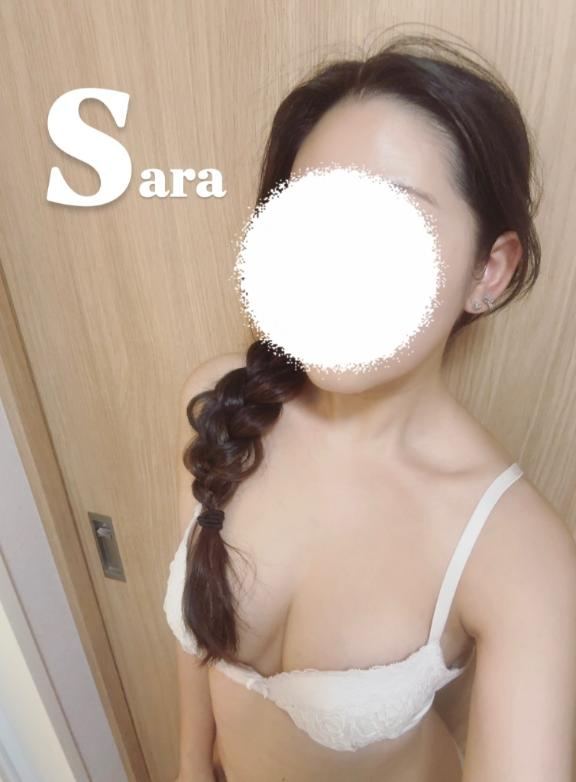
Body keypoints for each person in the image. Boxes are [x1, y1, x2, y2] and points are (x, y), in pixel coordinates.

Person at [165, 32, 576, 782]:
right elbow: (198, 647)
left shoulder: (518, 554)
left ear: (489, 271)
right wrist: (191, 767)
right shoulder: (218, 398)